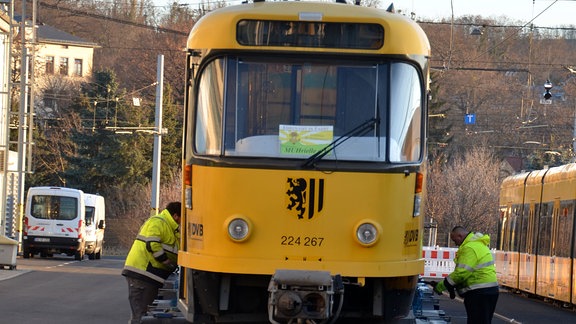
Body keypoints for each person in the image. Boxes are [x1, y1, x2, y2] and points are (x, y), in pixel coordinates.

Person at [122, 202, 182, 324]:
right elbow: (152, 244)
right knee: (140, 314)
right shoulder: (158, 221)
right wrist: (167, 262)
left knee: (144, 312)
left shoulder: (170, 227)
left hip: (149, 275)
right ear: (176, 216)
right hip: (142, 272)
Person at [432, 226, 499, 324]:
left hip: (479, 292)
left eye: (455, 240)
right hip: (487, 290)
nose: (455, 244)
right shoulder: (477, 244)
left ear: (460, 236)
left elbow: (461, 273)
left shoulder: (469, 248)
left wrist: (441, 286)